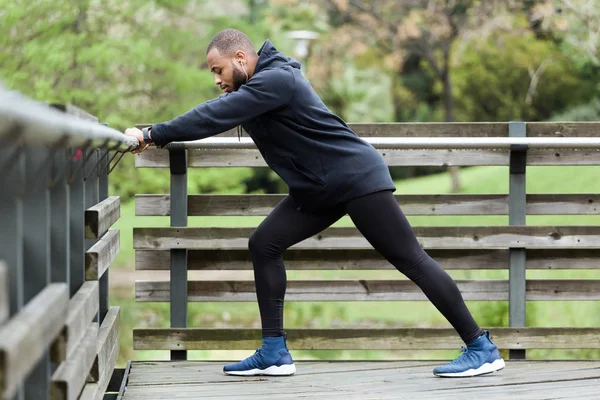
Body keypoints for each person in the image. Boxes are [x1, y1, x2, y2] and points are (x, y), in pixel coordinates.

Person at [125, 28, 505, 378]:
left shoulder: (276, 80)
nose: (217, 79)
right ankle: (274, 351)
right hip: (319, 188)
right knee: (264, 243)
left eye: (218, 69)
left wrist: (153, 132)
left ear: (241, 58)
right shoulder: (257, 86)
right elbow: (219, 110)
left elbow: (213, 116)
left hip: (355, 178)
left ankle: (480, 347)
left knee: (410, 258)